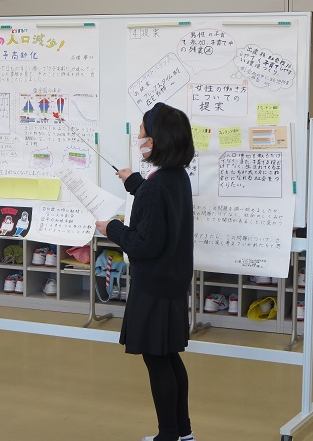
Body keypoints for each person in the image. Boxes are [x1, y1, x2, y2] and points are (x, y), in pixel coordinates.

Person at [95, 102, 196, 441]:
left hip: (153, 287)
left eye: (142, 130)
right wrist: (135, 182)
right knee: (169, 357)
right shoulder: (176, 177)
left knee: (157, 360)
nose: (138, 135)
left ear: (155, 140)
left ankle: (168, 435)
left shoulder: (156, 186)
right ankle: (183, 433)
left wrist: (110, 228)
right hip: (172, 283)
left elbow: (143, 244)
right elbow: (160, 208)